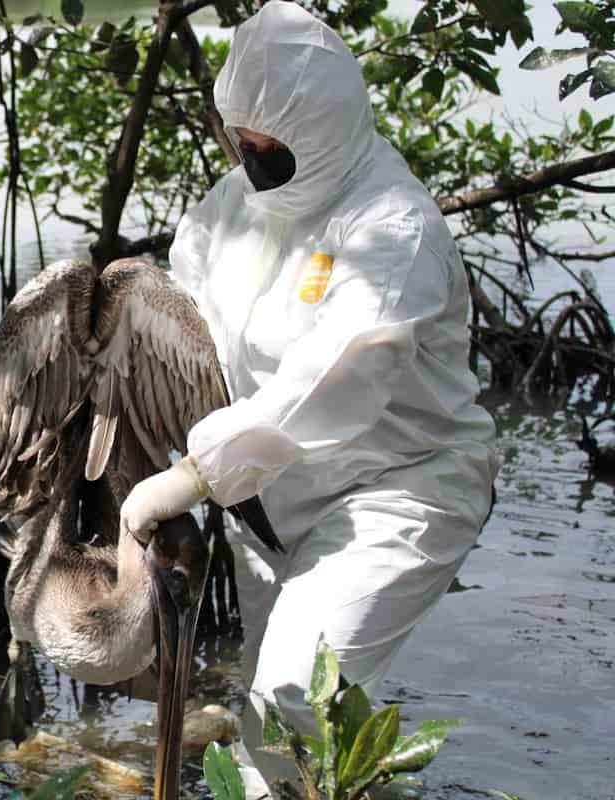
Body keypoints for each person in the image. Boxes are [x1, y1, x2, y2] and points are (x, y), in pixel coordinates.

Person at [119, 1, 498, 792]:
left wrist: (190, 476)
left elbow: (337, 383)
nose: (252, 162)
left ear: (322, 129)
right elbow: (189, 345)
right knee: (276, 735)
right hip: (265, 503)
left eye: (271, 149)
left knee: (295, 697)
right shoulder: (226, 212)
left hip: (397, 489)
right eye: (241, 143)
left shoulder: (393, 226)